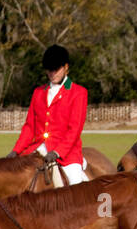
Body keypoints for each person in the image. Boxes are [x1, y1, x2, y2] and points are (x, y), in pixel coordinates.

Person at [11, 44, 88, 185]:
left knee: (74, 184)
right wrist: (16, 151)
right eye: (49, 70)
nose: (52, 73)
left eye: (56, 69)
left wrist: (58, 152)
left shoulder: (78, 93)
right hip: (38, 149)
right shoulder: (38, 92)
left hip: (67, 154)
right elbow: (29, 127)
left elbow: (74, 130)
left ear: (66, 67)